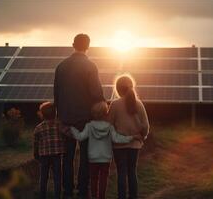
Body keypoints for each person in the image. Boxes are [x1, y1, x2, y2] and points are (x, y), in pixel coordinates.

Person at [54, 33, 105, 198]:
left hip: (66, 119)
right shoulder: (90, 66)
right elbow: (96, 92)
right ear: (88, 46)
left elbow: (56, 94)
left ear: (72, 45)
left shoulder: (61, 67)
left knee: (67, 157)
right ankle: (83, 190)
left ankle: (67, 190)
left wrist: (60, 116)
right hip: (85, 119)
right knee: (85, 157)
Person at [69, 101, 141, 199]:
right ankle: (102, 196)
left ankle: (94, 196)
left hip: (93, 158)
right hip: (106, 158)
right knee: (103, 179)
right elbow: (117, 139)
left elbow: (80, 137)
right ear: (106, 113)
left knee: (93, 178)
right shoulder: (109, 127)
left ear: (93, 113)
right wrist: (132, 137)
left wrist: (72, 129)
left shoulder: (89, 126)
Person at [108, 75, 150, 199]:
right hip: (135, 144)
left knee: (121, 172)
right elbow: (146, 126)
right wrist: (143, 137)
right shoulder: (139, 104)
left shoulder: (115, 105)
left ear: (118, 89)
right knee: (132, 171)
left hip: (119, 145)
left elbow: (108, 125)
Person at [33, 102, 66, 199]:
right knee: (57, 177)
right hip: (56, 155)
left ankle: (42, 195)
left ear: (42, 114)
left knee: (43, 177)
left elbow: (36, 143)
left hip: (43, 156)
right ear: (55, 113)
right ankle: (57, 196)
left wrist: (36, 154)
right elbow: (66, 135)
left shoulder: (38, 128)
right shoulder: (59, 125)